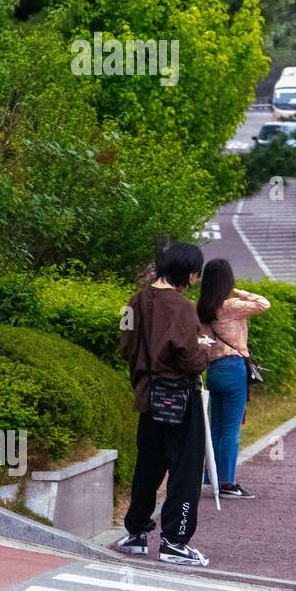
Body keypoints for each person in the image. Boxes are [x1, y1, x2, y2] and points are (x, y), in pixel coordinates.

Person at [116, 242, 213, 566]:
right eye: (196, 273)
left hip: (147, 393)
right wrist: (204, 351)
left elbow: (125, 343)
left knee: (150, 463)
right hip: (179, 395)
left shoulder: (135, 301)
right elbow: (188, 356)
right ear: (189, 272)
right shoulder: (182, 307)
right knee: (185, 466)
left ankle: (137, 532)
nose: (197, 279)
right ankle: (175, 539)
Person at [197, 259, 269, 500]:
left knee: (217, 427)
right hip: (233, 367)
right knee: (230, 429)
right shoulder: (230, 305)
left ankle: (213, 476)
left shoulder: (202, 307)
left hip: (214, 369)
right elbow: (263, 303)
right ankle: (227, 482)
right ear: (227, 280)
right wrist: (241, 291)